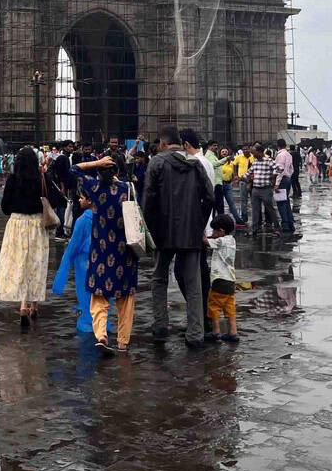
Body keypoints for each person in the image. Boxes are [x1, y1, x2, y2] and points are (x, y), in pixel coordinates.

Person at [143, 125, 214, 349]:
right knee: (194, 284)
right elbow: (210, 198)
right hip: (191, 234)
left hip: (163, 233)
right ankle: (196, 334)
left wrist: (151, 231)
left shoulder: (156, 163)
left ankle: (161, 325)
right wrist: (198, 224)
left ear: (163, 143)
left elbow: (148, 202)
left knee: (159, 279)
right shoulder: (195, 165)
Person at [72, 154, 138, 353]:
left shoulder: (94, 188)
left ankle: (101, 334)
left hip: (100, 251)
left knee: (99, 297)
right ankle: (122, 342)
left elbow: (73, 169)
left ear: (99, 172)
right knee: (125, 300)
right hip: (125, 251)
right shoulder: (127, 189)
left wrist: (96, 163)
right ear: (117, 172)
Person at [0, 147, 52, 327]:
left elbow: (4, 207)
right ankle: (34, 305)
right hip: (36, 225)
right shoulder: (42, 178)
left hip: (16, 225)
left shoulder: (12, 179)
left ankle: (22, 305)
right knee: (36, 263)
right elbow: (55, 200)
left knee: (20, 263)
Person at [52, 187, 96, 334]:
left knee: (84, 292)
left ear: (89, 201)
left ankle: (88, 321)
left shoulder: (82, 220)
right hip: (99, 262)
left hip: (83, 262)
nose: (79, 200)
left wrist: (67, 261)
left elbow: (73, 246)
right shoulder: (103, 218)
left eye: (81, 197)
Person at [204, 214, 239, 344]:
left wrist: (201, 234)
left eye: (214, 230)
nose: (212, 233)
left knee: (214, 307)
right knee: (229, 308)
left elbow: (206, 242)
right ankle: (233, 333)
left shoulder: (220, 241)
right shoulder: (232, 240)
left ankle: (216, 331)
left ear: (221, 231)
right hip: (230, 281)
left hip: (219, 280)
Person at [244, 144, 280, 235]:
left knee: (269, 209)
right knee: (255, 210)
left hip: (266, 189)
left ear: (259, 152)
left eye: (254, 152)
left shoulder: (268, 161)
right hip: (255, 189)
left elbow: (279, 169)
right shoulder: (255, 162)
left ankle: (277, 228)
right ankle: (255, 229)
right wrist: (240, 178)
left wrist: (273, 176)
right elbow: (249, 172)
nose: (252, 154)